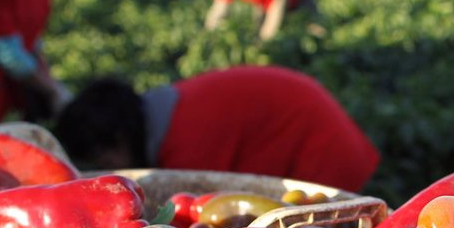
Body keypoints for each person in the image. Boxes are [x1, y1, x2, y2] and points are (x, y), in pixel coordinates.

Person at [53, 66, 380, 192]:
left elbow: (209, 213)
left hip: (322, 149)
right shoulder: (167, 114)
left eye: (103, 157)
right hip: (313, 125)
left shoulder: (185, 139)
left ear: (118, 137)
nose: (111, 167)